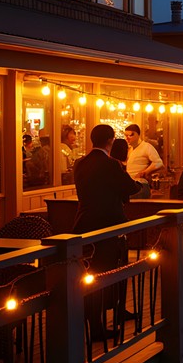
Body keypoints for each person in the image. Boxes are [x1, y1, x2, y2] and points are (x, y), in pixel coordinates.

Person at [73, 124, 141, 339]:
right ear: (110, 141)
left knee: (89, 275)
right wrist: (139, 185)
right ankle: (98, 325)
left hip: (84, 224)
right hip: (109, 226)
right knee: (108, 275)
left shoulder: (79, 163)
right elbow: (130, 187)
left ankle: (92, 321)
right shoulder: (111, 164)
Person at [124, 123, 164, 199]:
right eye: (126, 135)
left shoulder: (146, 147)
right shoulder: (130, 149)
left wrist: (145, 172)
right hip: (131, 185)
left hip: (140, 185)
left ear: (138, 135)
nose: (127, 138)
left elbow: (159, 163)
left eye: (130, 135)